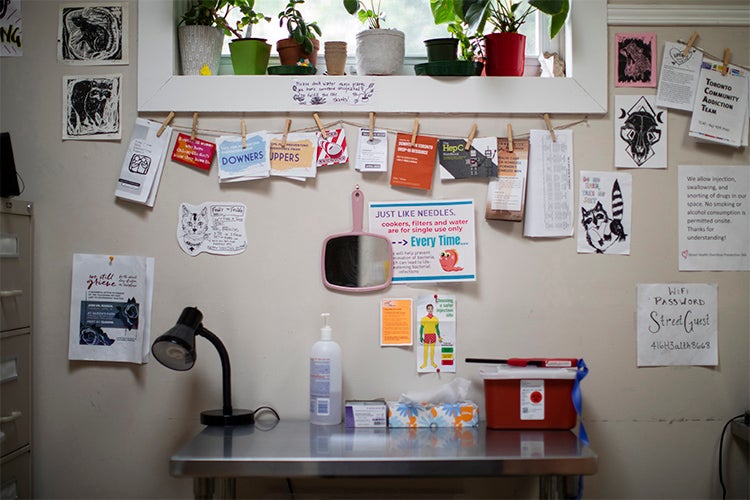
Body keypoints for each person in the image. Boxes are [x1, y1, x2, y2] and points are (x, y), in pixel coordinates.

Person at [419, 304, 442, 369]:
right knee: (425, 350)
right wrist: (420, 336)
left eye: (431, 308)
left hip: (433, 335)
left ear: (433, 309)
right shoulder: (423, 319)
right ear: (427, 310)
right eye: (428, 308)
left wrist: (439, 337)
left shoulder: (436, 319)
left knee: (432, 350)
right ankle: (425, 363)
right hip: (426, 335)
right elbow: (421, 328)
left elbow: (437, 328)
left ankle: (432, 362)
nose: (430, 310)